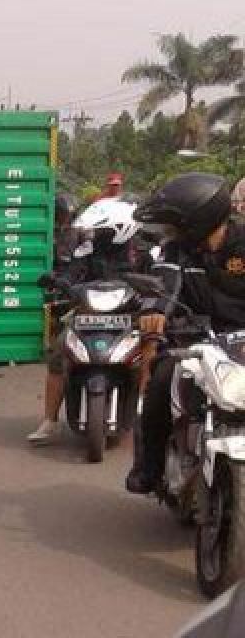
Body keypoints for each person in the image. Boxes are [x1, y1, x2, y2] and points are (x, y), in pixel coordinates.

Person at [126, 172, 245, 493]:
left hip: (242, 341)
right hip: (195, 339)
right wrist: (153, 311)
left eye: (176, 223)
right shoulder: (177, 249)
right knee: (161, 378)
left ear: (200, 218)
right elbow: (163, 282)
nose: (171, 230)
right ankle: (149, 468)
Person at [27, 197, 142, 444]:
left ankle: (147, 412)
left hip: (129, 317)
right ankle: (49, 421)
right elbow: (72, 271)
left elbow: (159, 278)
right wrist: (60, 282)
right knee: (58, 353)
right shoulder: (88, 249)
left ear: (119, 229)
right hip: (88, 315)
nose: (93, 234)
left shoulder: (141, 253)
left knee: (153, 352)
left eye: (99, 229)